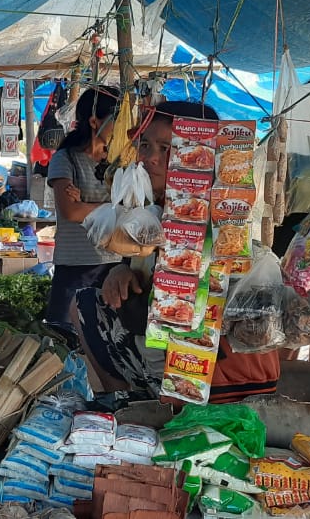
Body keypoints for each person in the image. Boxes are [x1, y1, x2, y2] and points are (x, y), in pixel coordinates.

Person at [75, 101, 281, 404]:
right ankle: (124, 401)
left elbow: (260, 331)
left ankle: (165, 403)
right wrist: (120, 270)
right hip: (163, 368)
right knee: (85, 304)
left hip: (228, 384)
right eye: (146, 146)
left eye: (168, 148)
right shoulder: (150, 221)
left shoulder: (226, 227)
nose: (151, 159)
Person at [46, 85, 123, 332]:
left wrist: (88, 206)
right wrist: (115, 208)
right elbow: (70, 212)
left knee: (110, 344)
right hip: (74, 268)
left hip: (114, 265)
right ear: (93, 121)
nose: (121, 130)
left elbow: (133, 212)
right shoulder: (65, 159)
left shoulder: (120, 164)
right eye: (117, 122)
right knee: (66, 338)